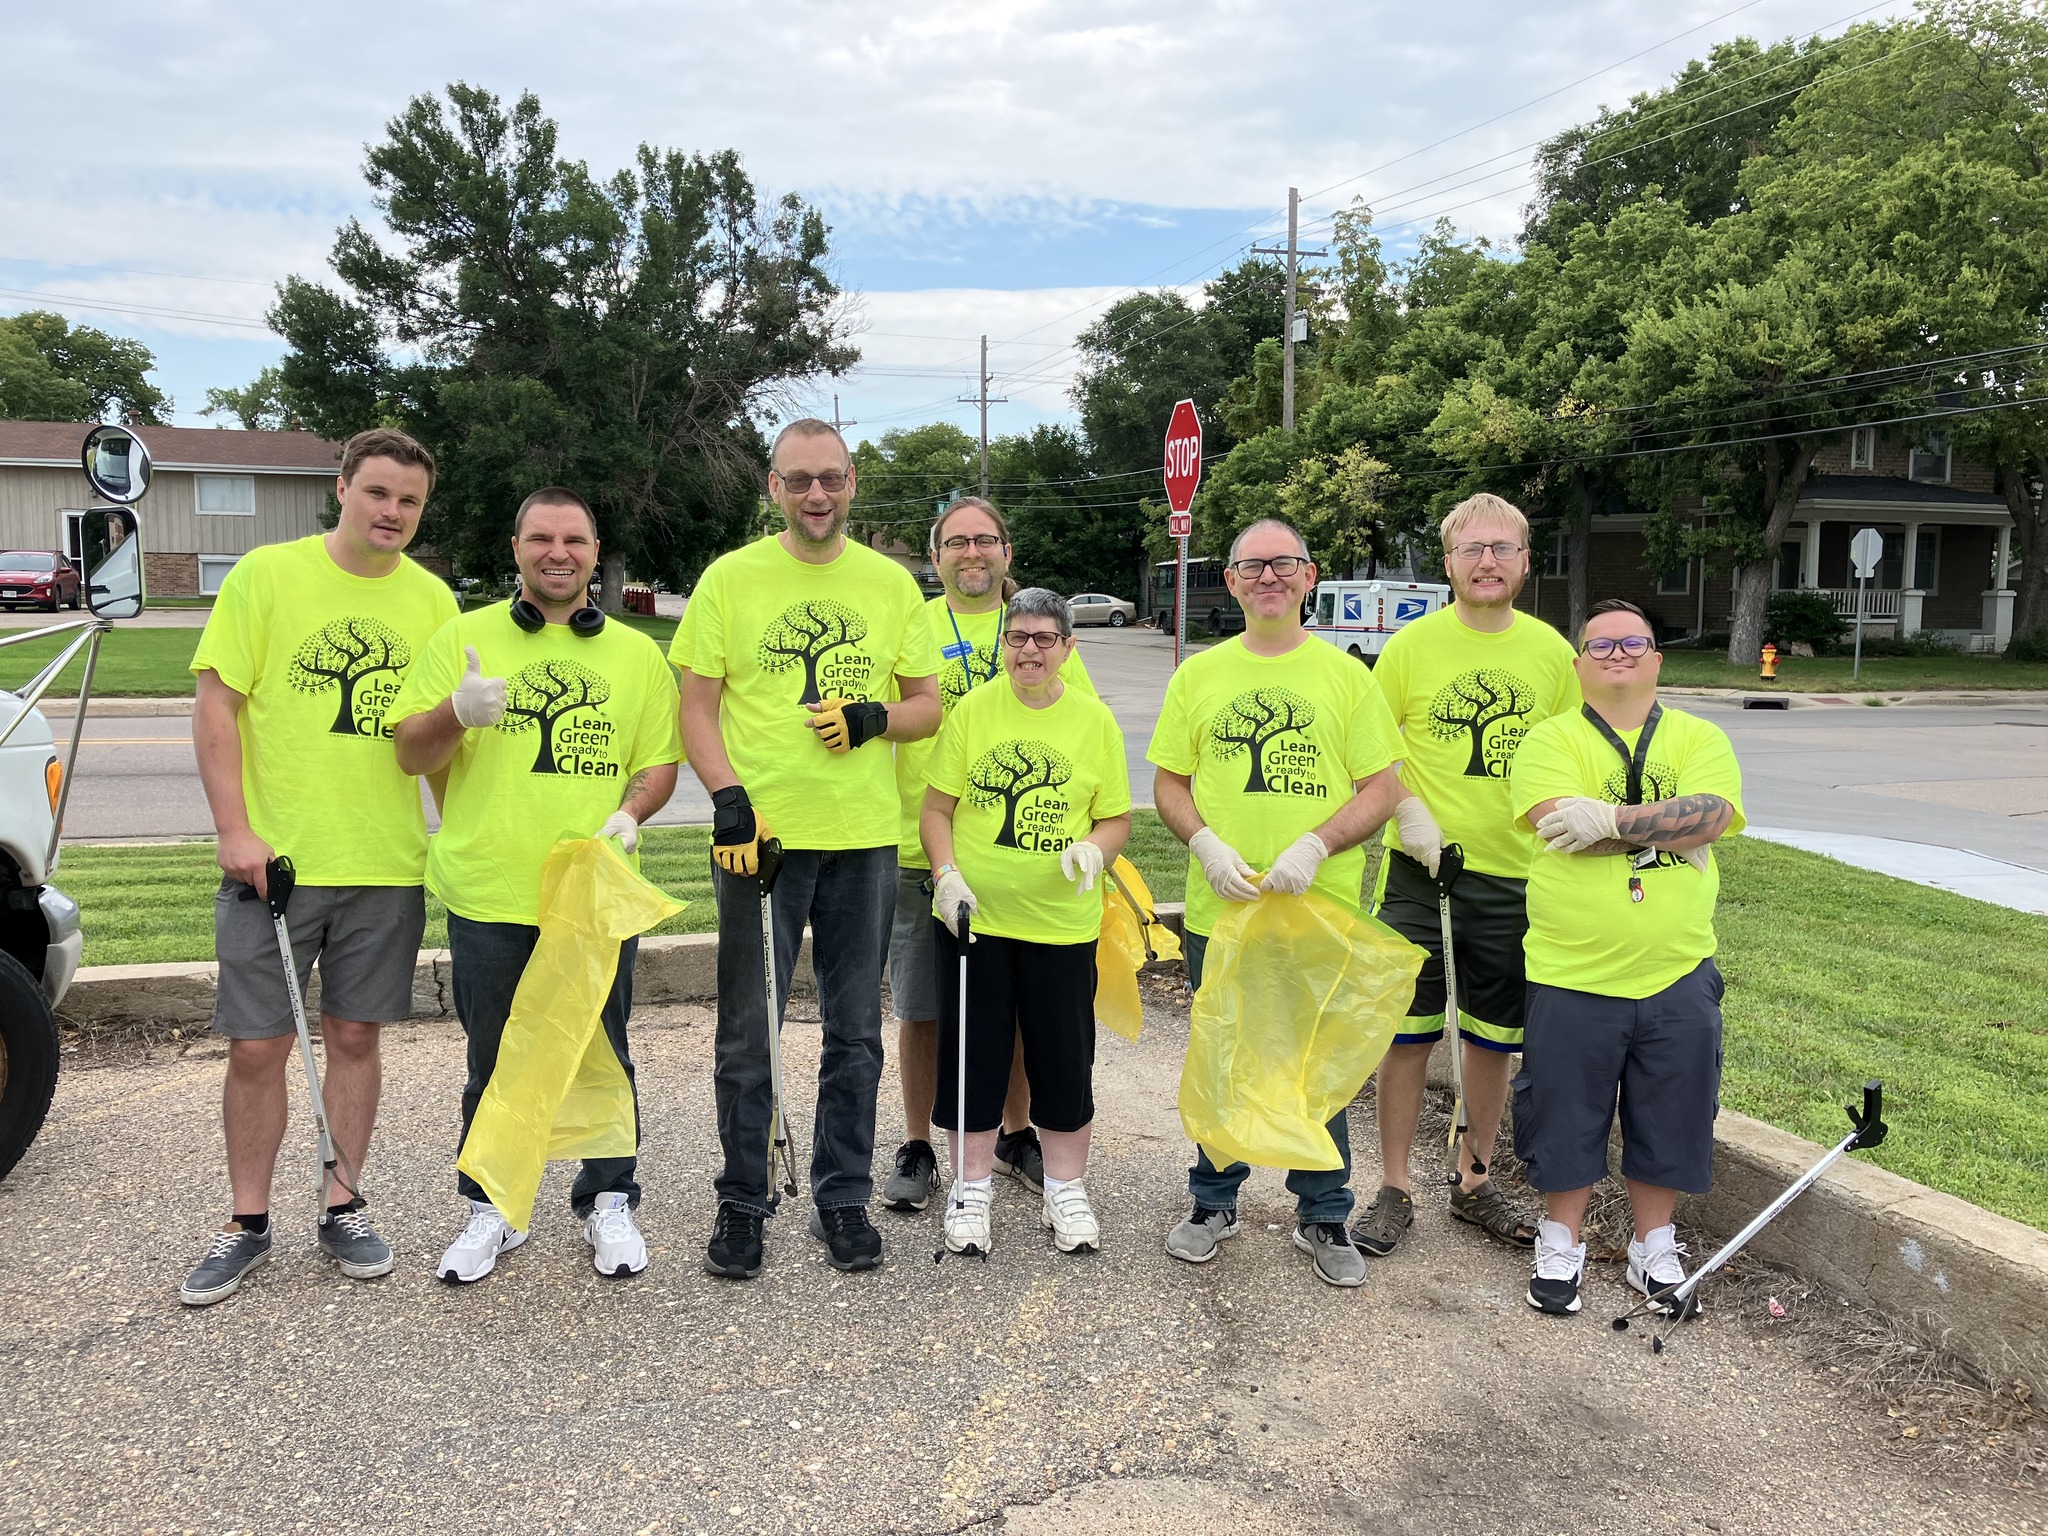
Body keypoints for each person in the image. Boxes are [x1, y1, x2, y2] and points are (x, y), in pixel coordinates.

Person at [180, 427, 457, 1306]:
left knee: (354, 1038)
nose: (393, 512)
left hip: (386, 863)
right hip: (276, 864)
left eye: (409, 501)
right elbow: (217, 706)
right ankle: (246, 1223)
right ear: (342, 488)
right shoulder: (267, 576)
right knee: (259, 1046)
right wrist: (234, 828)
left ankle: (342, 1204)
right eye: (378, 493)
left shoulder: (433, 601)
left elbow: (439, 737)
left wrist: (454, 833)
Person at [390, 487, 681, 1283]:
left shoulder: (633, 655)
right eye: (542, 539)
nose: (559, 553)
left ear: (595, 552)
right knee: (493, 1059)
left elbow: (659, 765)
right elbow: (411, 755)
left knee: (603, 1053)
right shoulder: (464, 638)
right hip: (489, 888)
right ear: (516, 547)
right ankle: (494, 1206)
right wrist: (456, 710)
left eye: (575, 540)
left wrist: (630, 814)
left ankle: (609, 1199)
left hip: (592, 894)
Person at [675, 419, 941, 1279]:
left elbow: (928, 707)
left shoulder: (890, 582)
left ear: (853, 481)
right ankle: (743, 1199)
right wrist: (728, 800)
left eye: (830, 478)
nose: (816, 494)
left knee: (856, 1031)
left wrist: (874, 719)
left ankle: (842, 1193)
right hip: (763, 841)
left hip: (862, 841)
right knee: (748, 1030)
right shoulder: (731, 579)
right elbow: (696, 708)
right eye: (799, 480)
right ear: (773, 487)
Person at [1147, 518, 1406, 1288]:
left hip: (1313, 905)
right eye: (1252, 565)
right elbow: (1169, 783)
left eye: (1283, 564)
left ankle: (1324, 1211)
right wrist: (1203, 843)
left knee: (1313, 1059)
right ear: (1229, 580)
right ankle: (1212, 1201)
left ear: (1309, 576)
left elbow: (1384, 788)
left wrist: (1316, 845)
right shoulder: (1198, 676)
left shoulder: (1345, 677)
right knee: (1222, 1049)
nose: (1268, 576)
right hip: (1220, 905)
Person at [1357, 493, 1580, 1259]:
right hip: (1422, 875)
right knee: (1409, 1033)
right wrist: (1411, 819)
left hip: (1517, 877)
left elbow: (1574, 755)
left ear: (1524, 560)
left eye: (1503, 549)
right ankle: (1392, 1188)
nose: (1488, 562)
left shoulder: (1553, 653)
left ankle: (1474, 1181)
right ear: (1448, 563)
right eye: (1472, 550)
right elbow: (1375, 754)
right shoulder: (1412, 649)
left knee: (1491, 1040)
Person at [1509, 599, 1744, 1317]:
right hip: (1570, 970)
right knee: (1563, 1113)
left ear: (1657, 658)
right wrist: (1671, 829)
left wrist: (1606, 819)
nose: (1617, 654)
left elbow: (1716, 812)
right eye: (1600, 645)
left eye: (1632, 642)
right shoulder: (1547, 740)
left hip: (1678, 969)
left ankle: (1654, 1247)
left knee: (1672, 1113)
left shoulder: (1700, 736)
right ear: (1578, 663)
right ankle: (1561, 1240)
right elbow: (1555, 823)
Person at [882, 497, 1098, 1214]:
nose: (971, 553)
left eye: (985, 540)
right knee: (923, 1008)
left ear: (1007, 550)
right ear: (935, 553)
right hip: (927, 850)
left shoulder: (1046, 632)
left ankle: (1011, 1133)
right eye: (956, 542)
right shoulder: (910, 625)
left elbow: (1081, 739)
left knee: (1008, 1009)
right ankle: (919, 1142)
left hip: (1018, 858)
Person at [919, 587, 1130, 1257]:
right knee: (972, 1057)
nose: (1029, 649)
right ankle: (970, 1187)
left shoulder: (1095, 723)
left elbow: (1117, 817)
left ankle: (1065, 1189)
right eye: (1018, 638)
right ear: (1003, 646)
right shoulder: (974, 714)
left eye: (1044, 638)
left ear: (1068, 648)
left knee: (1064, 1062)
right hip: (974, 920)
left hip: (1062, 926)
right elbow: (936, 811)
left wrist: (1096, 850)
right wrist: (946, 872)